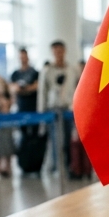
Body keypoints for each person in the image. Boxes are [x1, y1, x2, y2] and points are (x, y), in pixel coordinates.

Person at [39, 39, 81, 174]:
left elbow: (78, 88)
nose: (58, 53)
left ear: (64, 51)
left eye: (60, 50)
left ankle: (71, 166)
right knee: (56, 140)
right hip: (53, 109)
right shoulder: (47, 71)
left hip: (69, 108)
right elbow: (42, 93)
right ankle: (58, 167)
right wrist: (41, 113)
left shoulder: (72, 70)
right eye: (55, 51)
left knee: (70, 139)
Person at [9, 47, 39, 113]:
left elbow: (36, 86)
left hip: (33, 105)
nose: (23, 59)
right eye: (21, 57)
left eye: (24, 57)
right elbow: (12, 88)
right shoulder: (15, 74)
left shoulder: (35, 73)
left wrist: (25, 89)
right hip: (20, 105)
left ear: (27, 57)